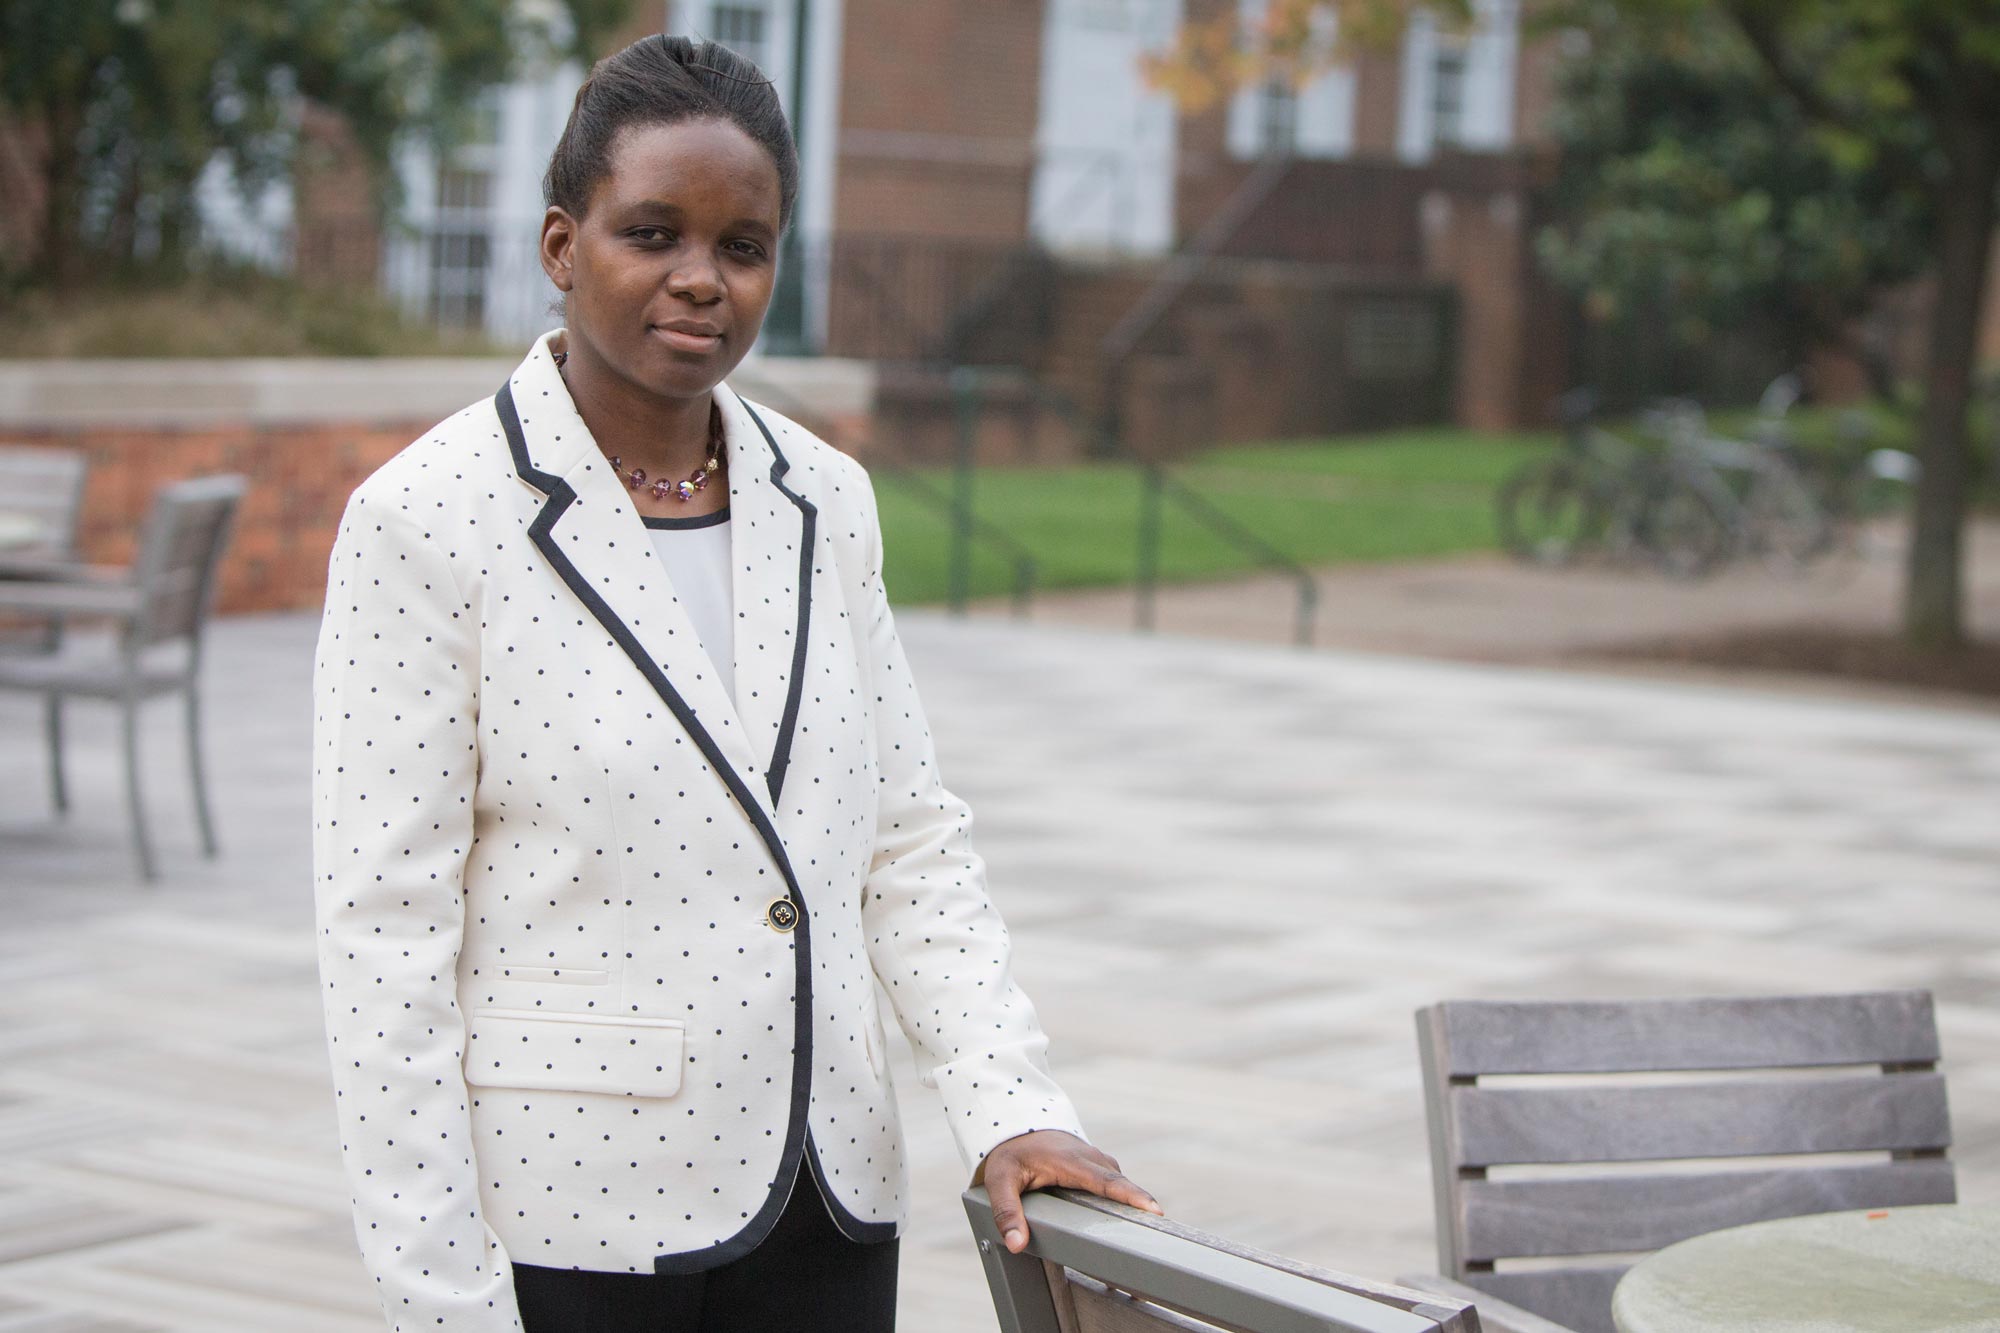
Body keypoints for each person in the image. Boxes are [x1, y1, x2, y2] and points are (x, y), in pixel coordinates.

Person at [311, 33, 1158, 1333]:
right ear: (560, 246)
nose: (700, 279)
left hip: (823, 1201)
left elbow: (906, 835)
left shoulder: (825, 498)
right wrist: (440, 1299)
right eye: (652, 233)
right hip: (574, 1219)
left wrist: (1011, 1101)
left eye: (743, 245)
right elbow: (385, 941)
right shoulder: (425, 521)